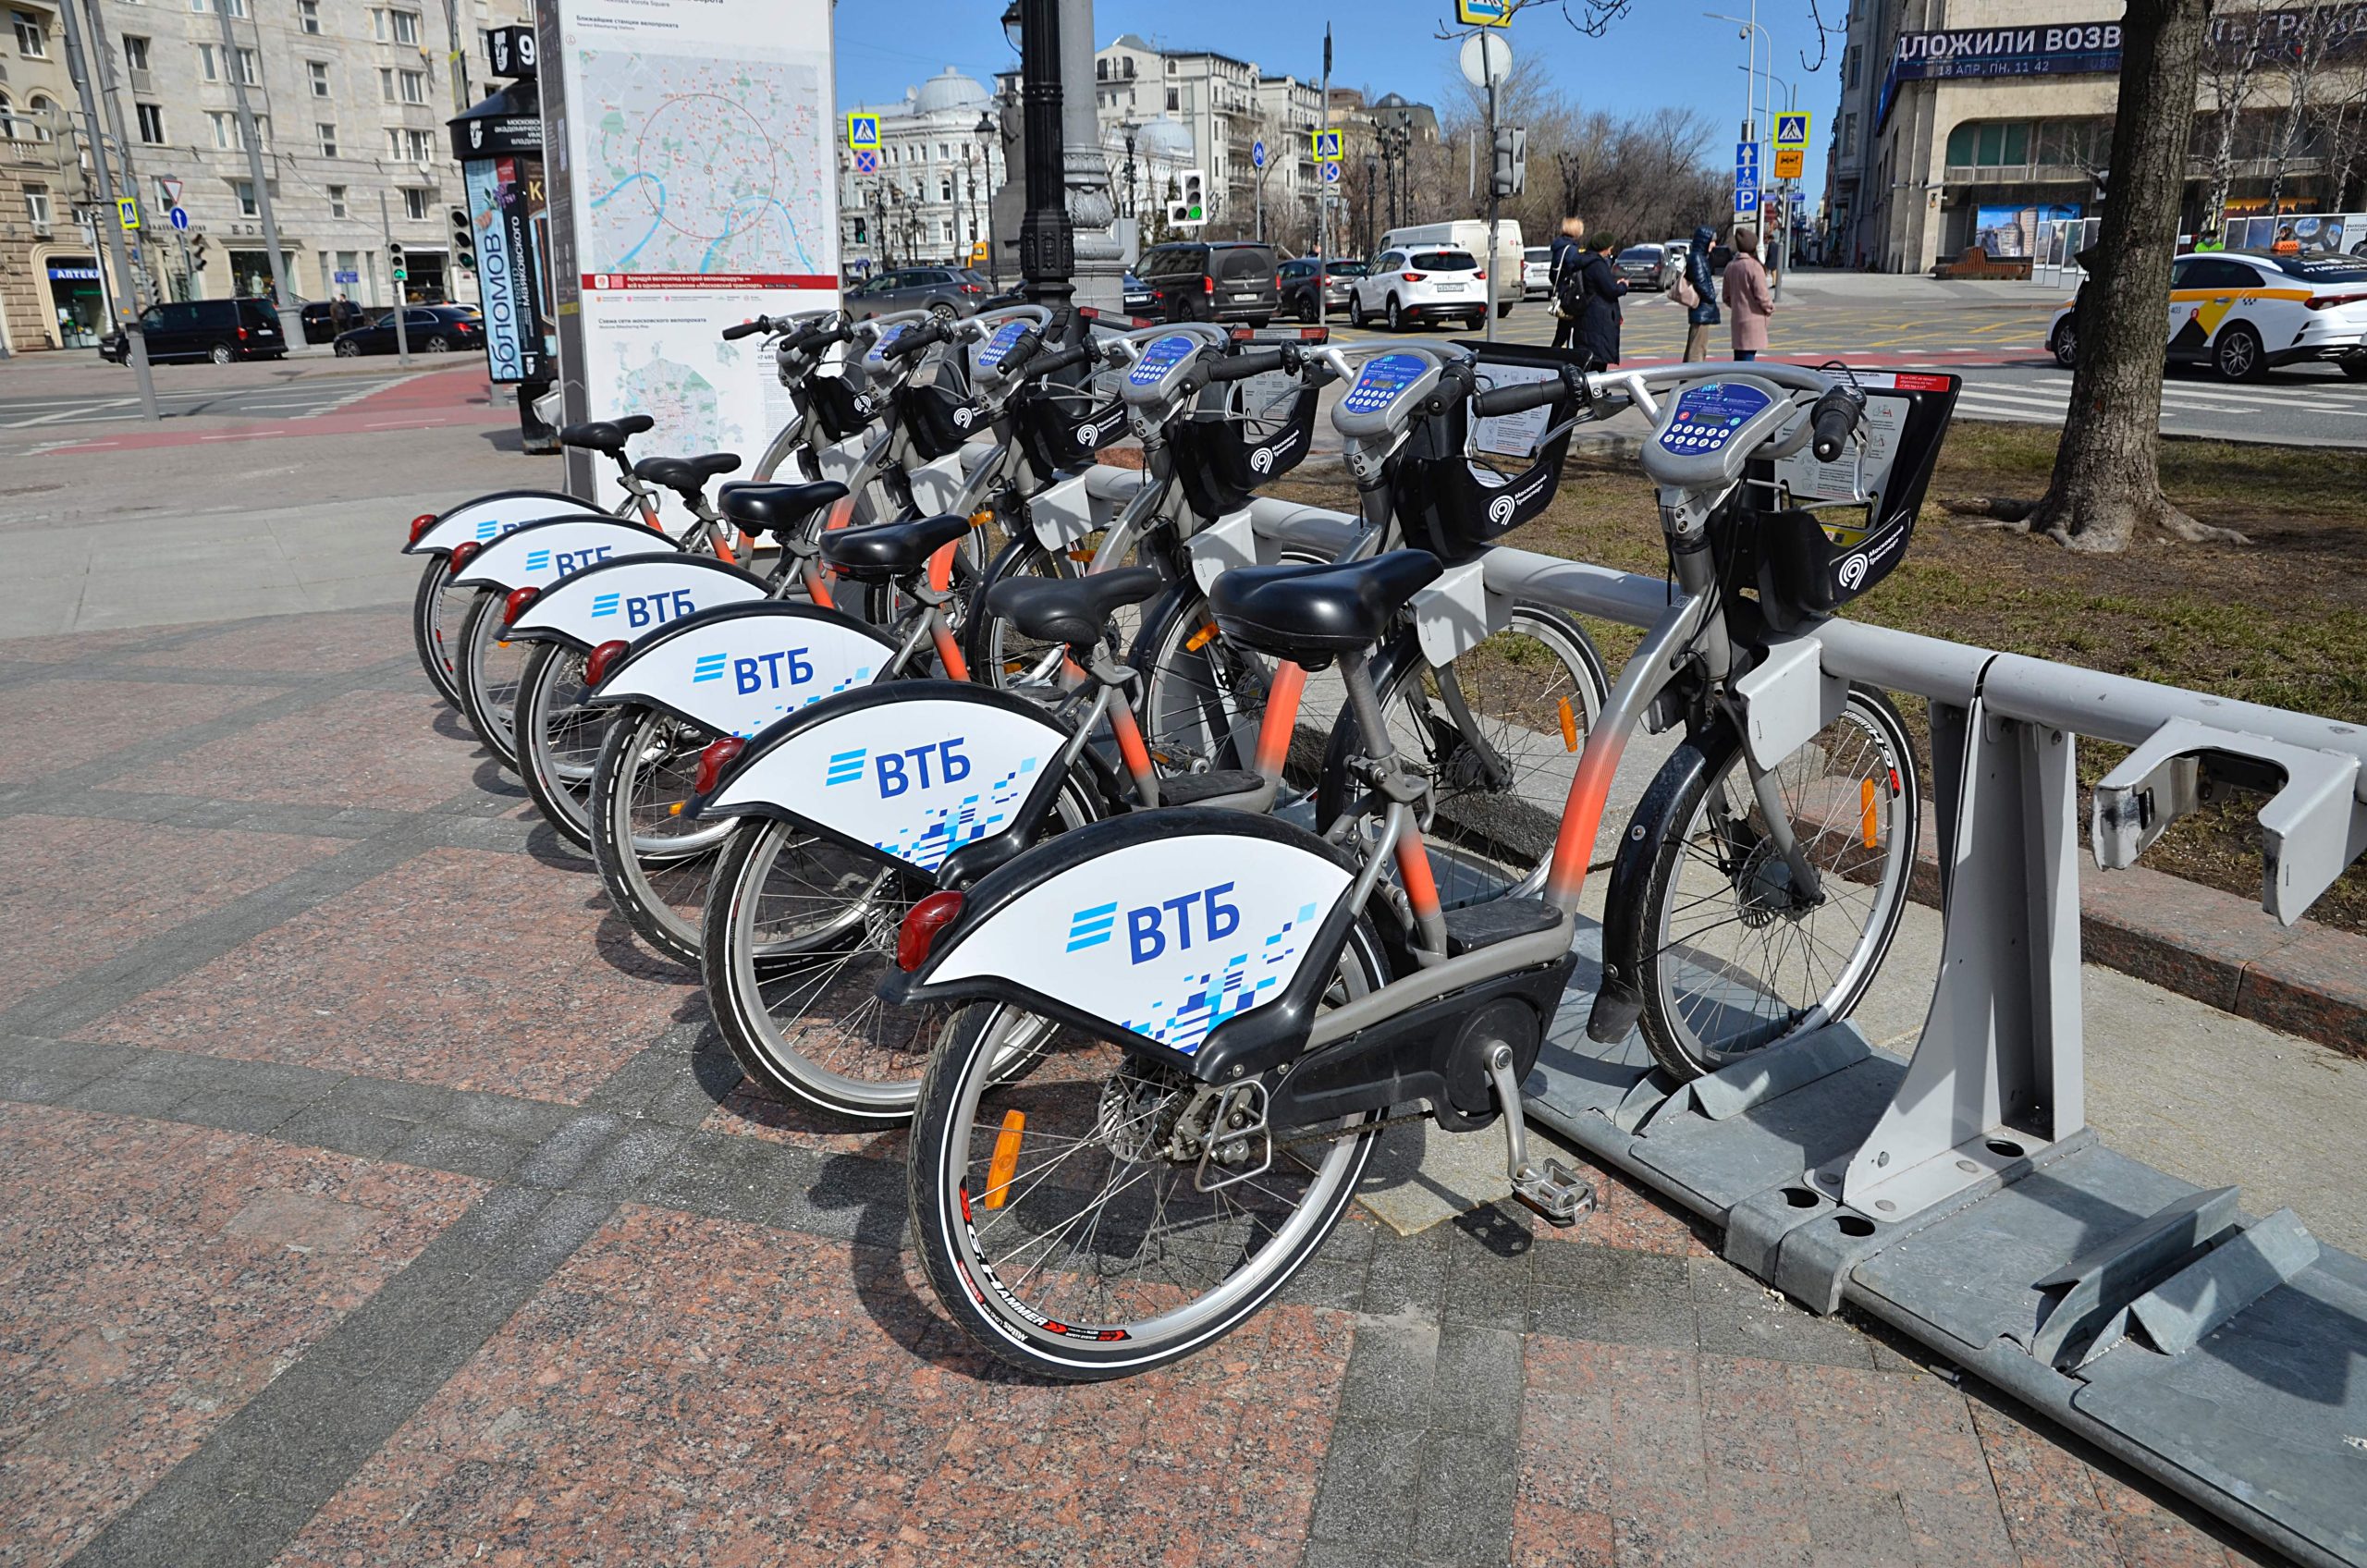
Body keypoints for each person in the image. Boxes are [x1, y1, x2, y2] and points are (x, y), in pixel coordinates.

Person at [1566, 233, 1627, 367]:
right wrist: (1623, 285)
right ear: (1603, 247)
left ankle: (1590, 388)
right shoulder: (1597, 265)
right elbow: (1611, 290)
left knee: (1586, 362)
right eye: (1609, 248)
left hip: (1584, 316)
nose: (1610, 252)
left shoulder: (1582, 260)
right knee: (1597, 364)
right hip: (1597, 320)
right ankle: (1597, 389)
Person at [1724, 225, 1774, 361]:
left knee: (1739, 360)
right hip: (1754, 320)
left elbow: (1726, 297)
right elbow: (1762, 296)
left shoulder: (1731, 266)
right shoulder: (1754, 267)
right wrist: (1769, 308)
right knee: (1748, 362)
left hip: (1737, 320)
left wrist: (1737, 305)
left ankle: (1738, 382)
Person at [1677, 223, 1720, 361]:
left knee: (1696, 347)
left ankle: (1688, 380)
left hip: (1701, 310)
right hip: (1702, 310)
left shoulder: (1700, 257)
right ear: (1704, 240)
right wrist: (1712, 296)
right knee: (1697, 350)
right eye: (1712, 241)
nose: (1714, 244)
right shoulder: (1697, 259)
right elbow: (1701, 283)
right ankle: (1691, 380)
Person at [1548, 214, 1588, 352]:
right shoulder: (1571, 250)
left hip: (1563, 293)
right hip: (1571, 296)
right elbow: (1575, 269)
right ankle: (1557, 359)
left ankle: (1553, 357)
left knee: (1562, 331)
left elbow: (1553, 274)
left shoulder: (1559, 248)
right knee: (1570, 331)